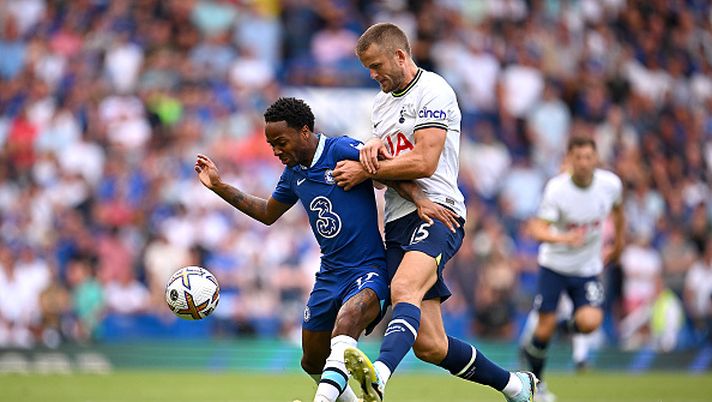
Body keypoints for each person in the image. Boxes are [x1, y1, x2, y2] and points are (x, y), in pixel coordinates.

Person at [195, 97, 458, 402]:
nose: (277, 151)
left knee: (346, 324)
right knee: (311, 361)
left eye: (281, 142)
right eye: (272, 146)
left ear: (304, 131)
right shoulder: (294, 175)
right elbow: (267, 212)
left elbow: (388, 172)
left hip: (368, 270)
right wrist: (218, 186)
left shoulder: (341, 149)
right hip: (329, 276)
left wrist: (421, 199)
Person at [331, 23, 537, 402]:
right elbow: (382, 179)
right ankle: (517, 386)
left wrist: (367, 168)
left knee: (403, 287)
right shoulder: (379, 106)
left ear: (400, 55)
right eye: (367, 70)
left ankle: (378, 376)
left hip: (437, 213)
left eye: (376, 66)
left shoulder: (434, 90)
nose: (373, 76)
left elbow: (425, 161)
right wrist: (373, 157)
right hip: (397, 221)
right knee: (430, 344)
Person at [521, 136, 625, 401]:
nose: (583, 163)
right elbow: (536, 229)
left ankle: (555, 329)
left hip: (587, 268)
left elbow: (618, 213)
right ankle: (538, 384)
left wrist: (619, 245)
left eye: (588, 157)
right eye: (577, 157)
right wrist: (563, 238)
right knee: (542, 330)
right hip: (554, 265)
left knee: (591, 321)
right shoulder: (557, 189)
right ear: (569, 159)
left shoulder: (610, 185)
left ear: (596, 159)